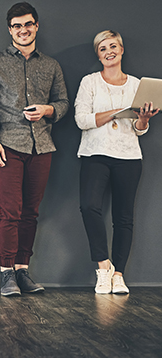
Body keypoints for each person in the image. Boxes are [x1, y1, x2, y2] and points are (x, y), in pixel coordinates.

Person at [0, 2, 69, 296]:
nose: (23, 30)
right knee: (10, 212)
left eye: (28, 24)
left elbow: (64, 104)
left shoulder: (51, 65)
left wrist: (47, 110)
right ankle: (6, 274)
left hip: (42, 146)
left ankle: (22, 270)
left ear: (36, 26)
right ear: (10, 30)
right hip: (7, 145)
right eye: (17, 26)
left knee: (31, 212)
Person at [75, 30, 158, 295]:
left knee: (124, 218)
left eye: (113, 46)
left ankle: (119, 274)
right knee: (89, 206)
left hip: (128, 156)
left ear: (121, 50)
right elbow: (82, 120)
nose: (109, 51)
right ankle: (103, 267)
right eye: (102, 48)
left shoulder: (136, 84)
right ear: (98, 55)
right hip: (95, 154)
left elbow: (138, 129)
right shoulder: (89, 82)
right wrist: (117, 113)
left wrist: (143, 119)